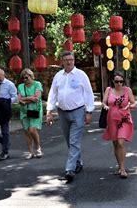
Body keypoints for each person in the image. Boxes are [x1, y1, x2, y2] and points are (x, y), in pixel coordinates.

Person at [46, 51, 95, 183]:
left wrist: (89, 111)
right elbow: (53, 93)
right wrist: (49, 111)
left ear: (74, 60)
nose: (69, 62)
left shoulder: (81, 75)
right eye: (66, 60)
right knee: (69, 140)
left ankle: (70, 170)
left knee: (74, 141)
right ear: (62, 61)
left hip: (78, 111)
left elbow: (88, 93)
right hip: (62, 112)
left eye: (71, 59)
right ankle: (78, 163)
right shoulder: (58, 76)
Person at [102, 72, 136, 179]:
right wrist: (105, 106)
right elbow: (103, 102)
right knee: (116, 144)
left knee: (121, 142)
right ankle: (120, 166)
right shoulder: (109, 90)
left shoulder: (127, 90)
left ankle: (122, 168)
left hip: (124, 118)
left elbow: (134, 103)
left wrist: (129, 106)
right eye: (117, 81)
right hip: (112, 119)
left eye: (121, 81)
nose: (119, 84)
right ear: (113, 81)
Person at [17, 68, 44, 159]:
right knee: (27, 131)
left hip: (34, 109)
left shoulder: (37, 84)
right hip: (24, 111)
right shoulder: (20, 86)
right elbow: (19, 99)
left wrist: (24, 100)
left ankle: (38, 147)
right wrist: (29, 98)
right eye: (23, 78)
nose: (25, 80)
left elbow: (36, 98)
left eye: (26, 78)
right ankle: (30, 152)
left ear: (31, 76)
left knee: (32, 130)